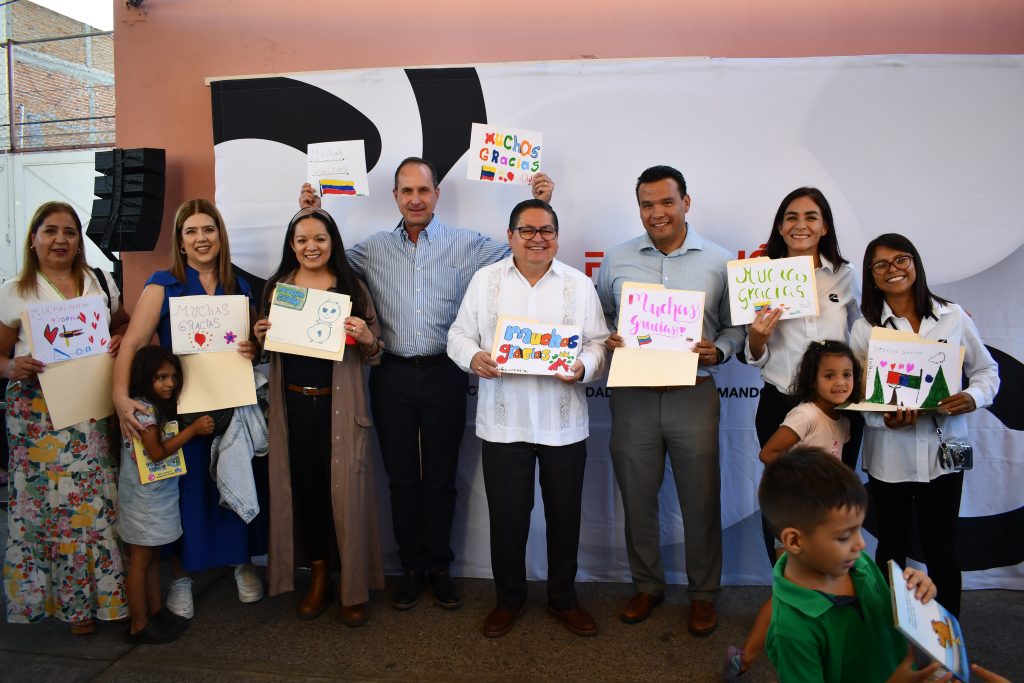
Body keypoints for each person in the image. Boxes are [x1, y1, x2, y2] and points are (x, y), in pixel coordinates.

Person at [298, 161, 553, 610]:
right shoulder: (371, 249)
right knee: (400, 479)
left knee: (439, 479)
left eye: (423, 190)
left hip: (445, 372)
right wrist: (312, 216)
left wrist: (540, 209)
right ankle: (411, 568)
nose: (415, 198)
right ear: (395, 196)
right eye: (405, 191)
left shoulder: (468, 244)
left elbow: (525, 252)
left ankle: (440, 567)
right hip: (391, 372)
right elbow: (323, 258)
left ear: (437, 193)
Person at [447, 199, 609, 637]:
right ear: (510, 236)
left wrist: (584, 367)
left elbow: (598, 343)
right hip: (505, 424)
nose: (537, 238)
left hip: (564, 424)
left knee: (564, 518)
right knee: (507, 520)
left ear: (557, 236)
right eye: (527, 230)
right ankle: (509, 601)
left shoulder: (579, 285)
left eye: (546, 230)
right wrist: (474, 356)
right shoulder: (486, 282)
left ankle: (563, 599)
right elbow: (458, 335)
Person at [595, 165, 744, 635]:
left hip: (693, 391)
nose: (656, 213)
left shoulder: (719, 261)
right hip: (633, 395)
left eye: (666, 202)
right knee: (637, 498)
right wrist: (610, 339)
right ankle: (647, 586)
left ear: (686, 203)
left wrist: (718, 349)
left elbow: (735, 327)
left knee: (700, 498)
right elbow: (600, 318)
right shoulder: (615, 260)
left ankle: (703, 595)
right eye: (646, 204)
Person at [113, 198, 265, 620]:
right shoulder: (163, 284)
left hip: (231, 406)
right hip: (180, 410)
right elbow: (133, 343)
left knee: (234, 482)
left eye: (208, 229)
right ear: (180, 242)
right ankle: (182, 575)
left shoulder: (240, 286)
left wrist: (253, 348)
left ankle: (241, 563)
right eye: (192, 232)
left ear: (220, 235)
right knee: (190, 493)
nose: (201, 239)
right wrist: (120, 397)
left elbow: (251, 348)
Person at [850, 233, 999, 618]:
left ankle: (949, 643)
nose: (893, 270)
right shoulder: (865, 329)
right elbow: (859, 394)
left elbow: (986, 371)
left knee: (943, 551)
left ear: (914, 262)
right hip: (889, 458)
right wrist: (882, 418)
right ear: (872, 276)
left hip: (943, 454)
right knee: (891, 549)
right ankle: (889, 637)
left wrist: (974, 397)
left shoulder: (953, 316)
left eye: (900, 260)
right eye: (881, 265)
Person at [0, 201, 130, 634]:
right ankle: (59, 605)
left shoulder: (98, 281)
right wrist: (9, 367)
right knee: (47, 510)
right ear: (33, 237)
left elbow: (124, 326)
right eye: (51, 231)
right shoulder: (15, 290)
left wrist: (117, 339)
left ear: (79, 240)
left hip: (88, 411)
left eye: (70, 232)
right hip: (36, 415)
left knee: (93, 508)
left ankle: (97, 604)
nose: (61, 240)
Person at [253, 207, 385, 627]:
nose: (311, 247)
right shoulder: (279, 288)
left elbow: (375, 353)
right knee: (307, 493)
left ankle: (352, 588)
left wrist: (366, 337)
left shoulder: (351, 287)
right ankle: (319, 576)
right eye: (302, 240)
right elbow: (263, 351)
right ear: (291, 246)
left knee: (345, 498)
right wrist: (259, 338)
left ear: (333, 243)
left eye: (320, 239)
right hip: (293, 408)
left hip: (340, 409)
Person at [725, 339, 860, 678]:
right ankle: (747, 656)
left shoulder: (844, 421)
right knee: (790, 592)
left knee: (817, 588)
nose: (840, 382)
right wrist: (803, 484)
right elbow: (768, 454)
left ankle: (820, 650)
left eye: (847, 374)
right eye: (829, 375)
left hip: (824, 523)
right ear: (812, 380)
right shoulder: (804, 414)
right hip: (798, 520)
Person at [760, 447, 950, 683]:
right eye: (843, 537)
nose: (860, 544)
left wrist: (914, 596)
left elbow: (886, 616)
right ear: (794, 540)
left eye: (858, 529)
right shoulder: (792, 630)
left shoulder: (856, 562)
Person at [744, 188, 862, 473]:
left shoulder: (845, 275)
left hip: (837, 406)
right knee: (784, 502)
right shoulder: (759, 278)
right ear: (780, 227)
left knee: (835, 499)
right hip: (780, 404)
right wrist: (756, 340)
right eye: (791, 217)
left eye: (811, 217)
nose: (800, 225)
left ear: (824, 227)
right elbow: (753, 355)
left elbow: (865, 333)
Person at [120, 346, 211, 643]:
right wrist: (193, 430)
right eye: (161, 377)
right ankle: (139, 624)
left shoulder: (155, 407)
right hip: (144, 500)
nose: (169, 384)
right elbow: (156, 452)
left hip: (155, 495)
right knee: (140, 560)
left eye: (173, 377)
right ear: (145, 377)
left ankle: (156, 613)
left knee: (151, 557)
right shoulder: (143, 410)